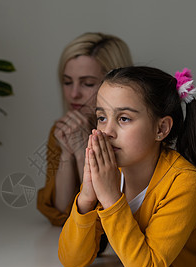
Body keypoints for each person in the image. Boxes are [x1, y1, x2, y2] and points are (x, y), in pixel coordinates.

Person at [58, 66, 196, 267]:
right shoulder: (111, 173)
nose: (107, 131)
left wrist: (110, 198)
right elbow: (71, 261)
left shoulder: (186, 182)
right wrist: (87, 198)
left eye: (124, 118)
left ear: (161, 129)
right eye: (101, 117)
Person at [37, 32, 133, 227]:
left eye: (87, 83)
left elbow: (107, 220)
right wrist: (67, 153)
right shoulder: (63, 130)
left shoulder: (131, 135)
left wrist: (82, 153)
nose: (74, 93)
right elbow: (61, 214)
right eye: (67, 82)